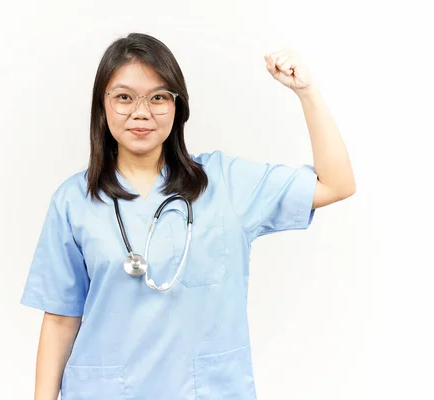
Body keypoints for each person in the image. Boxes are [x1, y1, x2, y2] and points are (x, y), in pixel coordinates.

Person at [20, 32, 355, 400]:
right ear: (103, 106)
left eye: (159, 97)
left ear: (178, 107)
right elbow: (60, 320)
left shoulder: (227, 184)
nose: (141, 111)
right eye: (124, 97)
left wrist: (307, 92)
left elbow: (336, 184)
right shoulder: (73, 201)